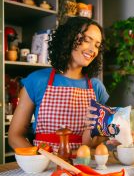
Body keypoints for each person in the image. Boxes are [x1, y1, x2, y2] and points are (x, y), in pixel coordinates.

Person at [8, 16, 109, 151]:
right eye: (86, 40)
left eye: (97, 45)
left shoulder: (96, 87)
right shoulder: (37, 81)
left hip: (84, 165)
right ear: (68, 38)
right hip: (45, 166)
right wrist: (39, 160)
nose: (92, 50)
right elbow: (15, 136)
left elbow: (100, 137)